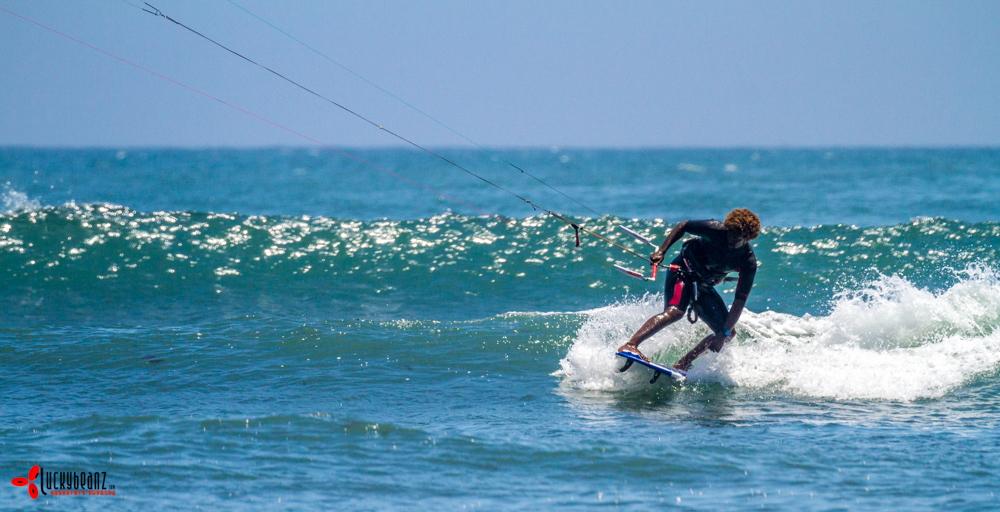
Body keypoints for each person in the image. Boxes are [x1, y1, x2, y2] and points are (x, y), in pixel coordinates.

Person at [617, 208, 760, 371]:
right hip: (683, 270)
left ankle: (682, 365)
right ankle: (631, 345)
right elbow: (683, 226)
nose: (731, 239)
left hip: (703, 285)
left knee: (727, 333)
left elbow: (740, 300)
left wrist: (724, 333)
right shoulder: (715, 229)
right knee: (675, 312)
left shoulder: (747, 261)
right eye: (730, 234)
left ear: (747, 238)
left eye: (737, 238)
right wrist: (662, 251)